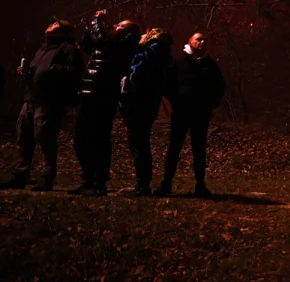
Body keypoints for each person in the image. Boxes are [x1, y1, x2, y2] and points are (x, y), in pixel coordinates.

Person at [1, 19, 84, 191]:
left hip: (49, 101)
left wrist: (53, 70)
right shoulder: (43, 49)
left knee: (45, 139)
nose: (50, 25)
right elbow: (37, 72)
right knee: (24, 137)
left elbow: (76, 71)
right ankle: (20, 176)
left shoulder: (68, 48)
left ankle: (47, 178)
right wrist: (26, 73)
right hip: (31, 98)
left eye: (55, 25)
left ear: (63, 32)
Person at [72, 11, 140, 197]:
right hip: (88, 93)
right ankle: (88, 178)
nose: (115, 26)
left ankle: (98, 182)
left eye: (120, 26)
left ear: (128, 33)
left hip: (104, 96)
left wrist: (96, 22)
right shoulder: (109, 45)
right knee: (81, 138)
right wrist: (89, 28)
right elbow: (89, 45)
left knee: (99, 139)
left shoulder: (125, 45)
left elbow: (102, 42)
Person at [158, 32, 224, 197]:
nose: (201, 42)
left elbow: (219, 87)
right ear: (190, 41)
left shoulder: (210, 65)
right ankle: (166, 182)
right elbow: (168, 84)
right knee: (174, 147)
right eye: (198, 39)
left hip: (201, 114)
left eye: (204, 40)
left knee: (199, 149)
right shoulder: (179, 62)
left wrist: (211, 105)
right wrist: (175, 102)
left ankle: (200, 184)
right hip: (181, 112)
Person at [119, 28, 173, 196]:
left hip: (137, 105)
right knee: (142, 144)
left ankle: (142, 185)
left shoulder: (145, 53)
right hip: (150, 104)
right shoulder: (163, 56)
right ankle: (143, 183)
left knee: (138, 145)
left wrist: (125, 95)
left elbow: (135, 79)